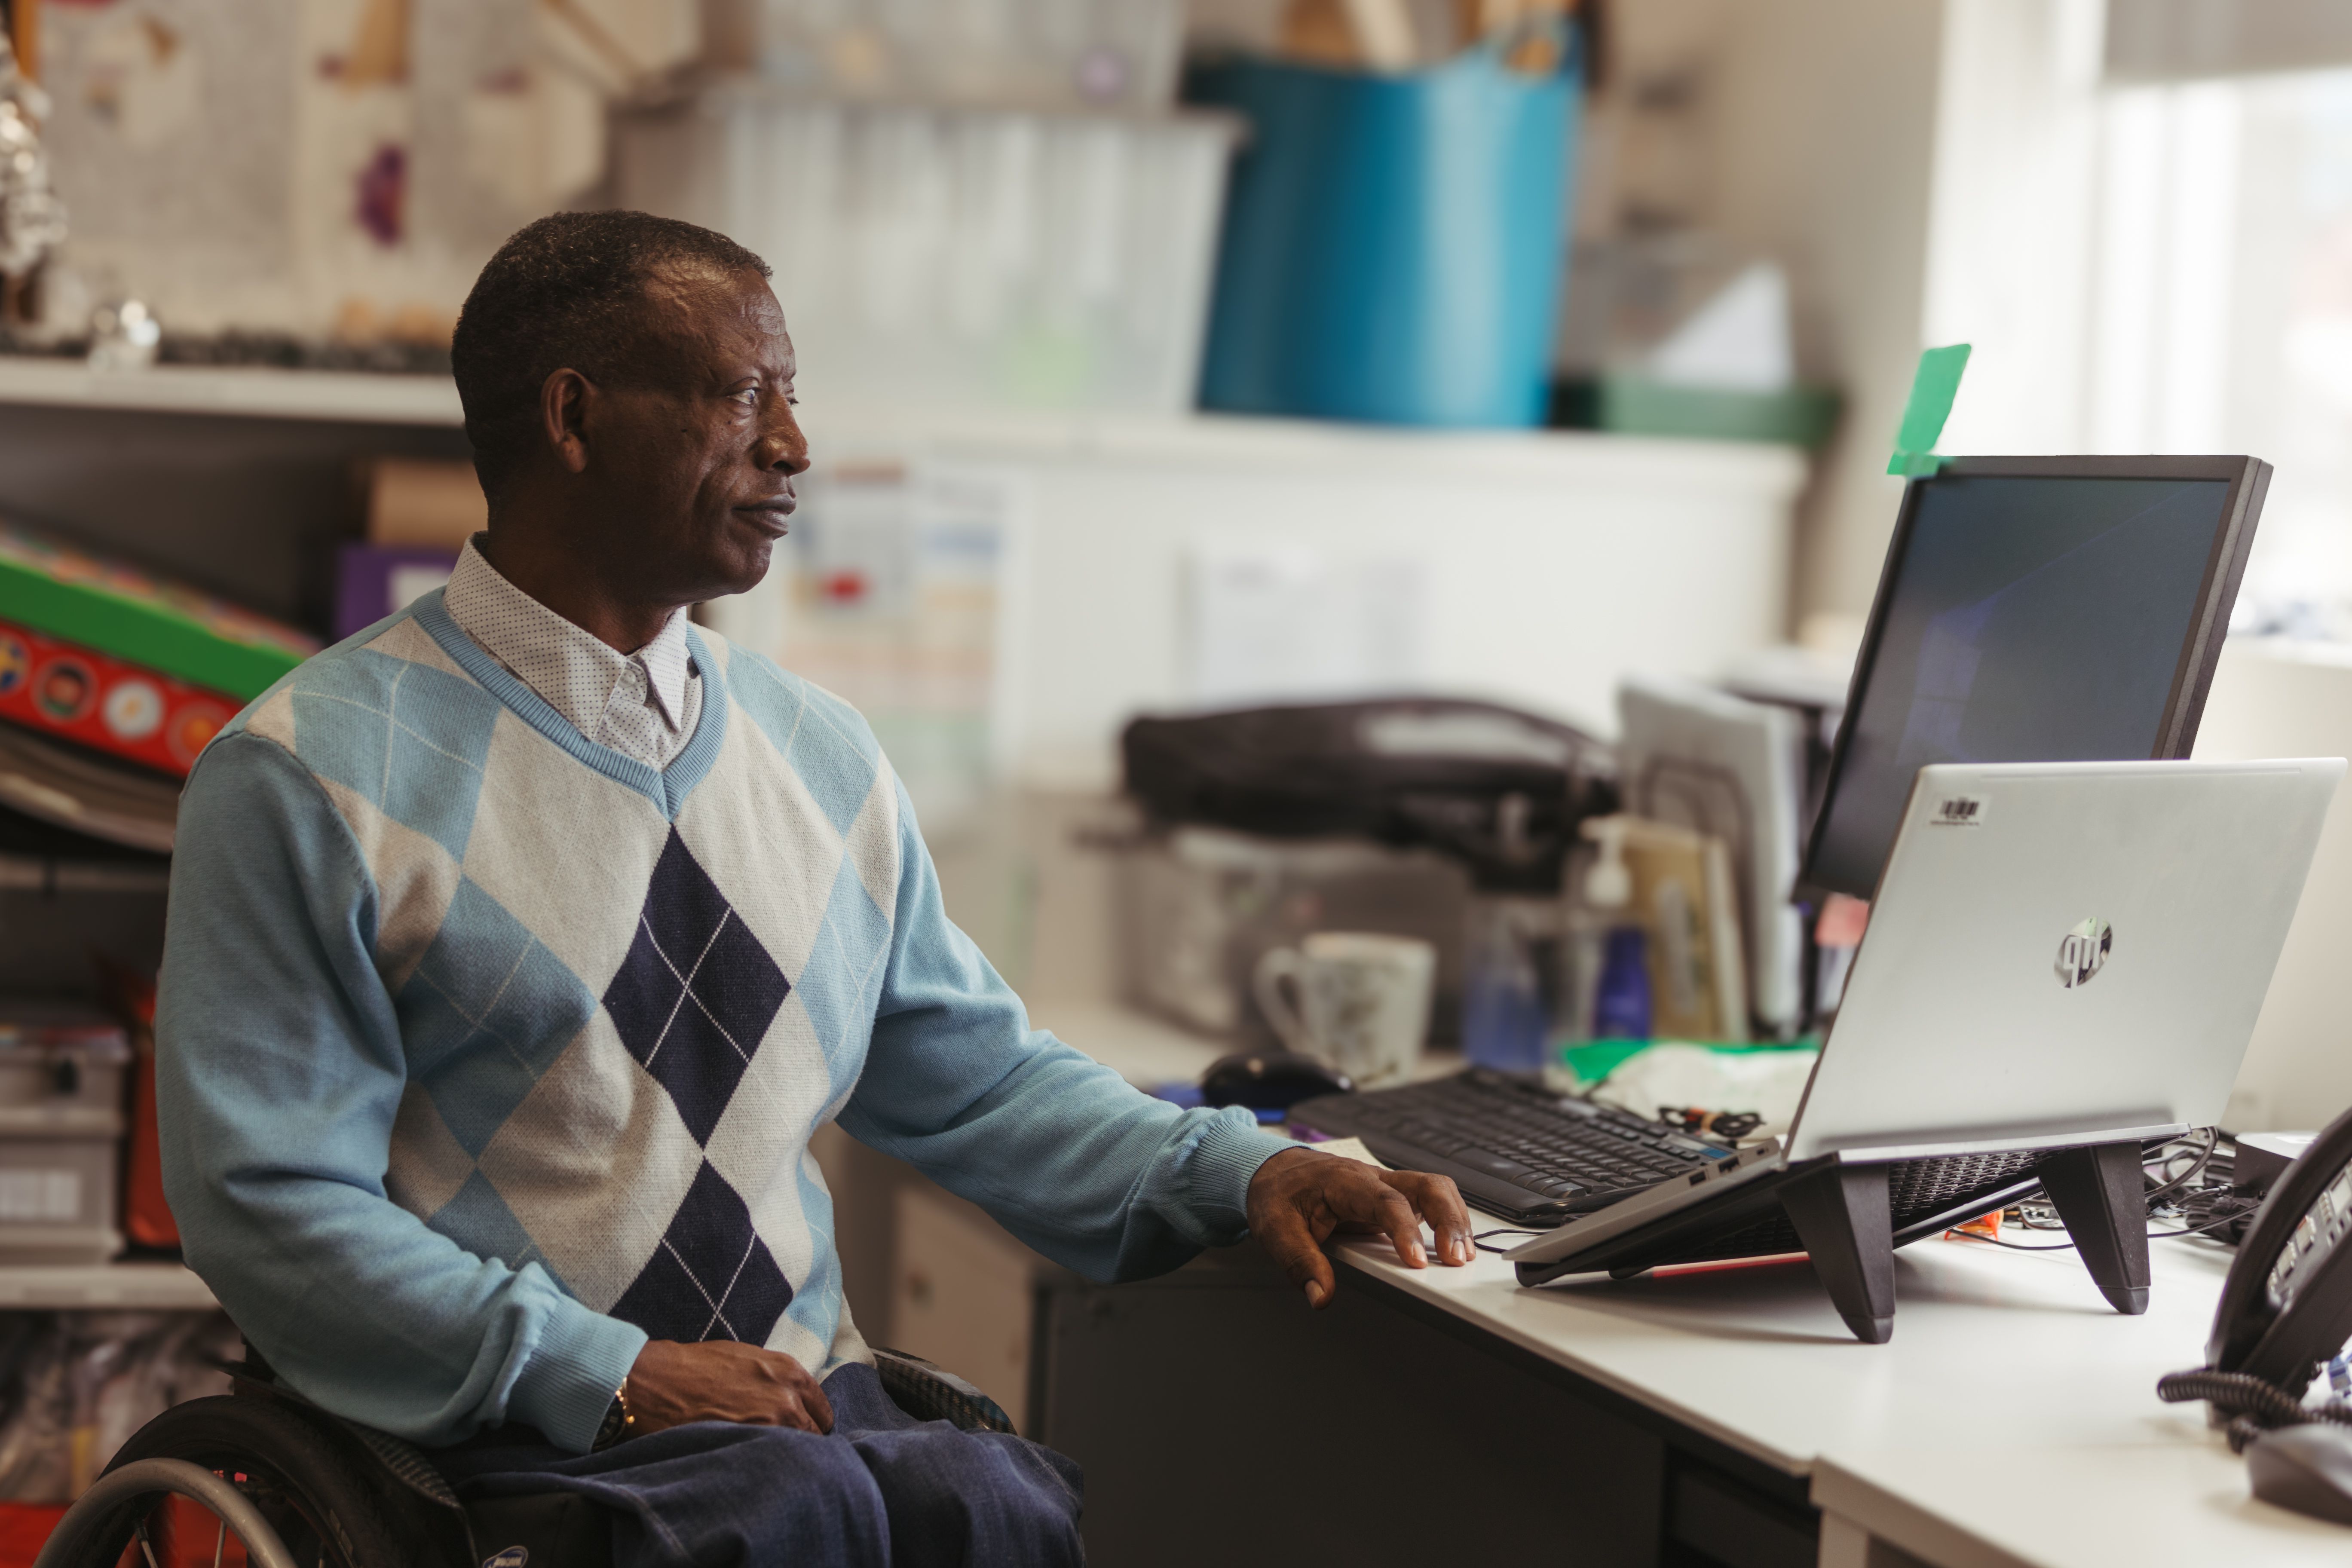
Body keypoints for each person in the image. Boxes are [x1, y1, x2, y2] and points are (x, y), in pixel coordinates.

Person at [155, 210, 1474, 1567]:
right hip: (486, 1437)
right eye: (742, 394)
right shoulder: (306, 775)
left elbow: (983, 1084)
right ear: (573, 417)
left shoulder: (818, 755)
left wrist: (1248, 1166)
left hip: (787, 1414)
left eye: (792, 397)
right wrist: (608, 1371)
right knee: (791, 1513)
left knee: (992, 1504)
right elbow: (274, 1205)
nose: (792, 444)